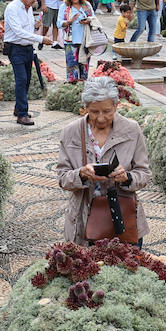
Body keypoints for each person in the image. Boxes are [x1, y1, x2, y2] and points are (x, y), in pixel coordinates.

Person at [56, 77, 152, 245]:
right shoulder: (70, 133)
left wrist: (127, 177)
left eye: (107, 111)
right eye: (94, 111)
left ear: (116, 106)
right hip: (83, 221)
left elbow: (144, 174)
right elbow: (63, 178)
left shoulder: (132, 130)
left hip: (123, 218)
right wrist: (81, 174)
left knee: (126, 269)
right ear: (85, 107)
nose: (100, 118)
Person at [4, 0, 44, 126]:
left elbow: (27, 30)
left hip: (28, 48)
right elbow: (18, 32)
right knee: (21, 80)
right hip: (15, 48)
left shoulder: (28, 9)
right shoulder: (12, 8)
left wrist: (35, 27)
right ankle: (22, 114)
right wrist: (41, 38)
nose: (36, 0)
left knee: (26, 80)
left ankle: (18, 107)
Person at [60, 0, 95, 83]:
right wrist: (69, 21)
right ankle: (73, 87)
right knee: (72, 67)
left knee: (84, 66)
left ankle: (84, 86)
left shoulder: (86, 5)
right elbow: (59, 23)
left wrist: (88, 20)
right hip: (70, 41)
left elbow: (94, 18)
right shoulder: (65, 7)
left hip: (85, 41)